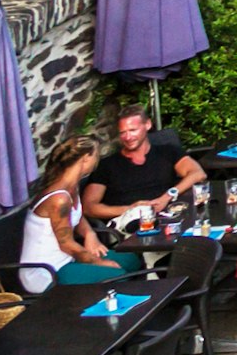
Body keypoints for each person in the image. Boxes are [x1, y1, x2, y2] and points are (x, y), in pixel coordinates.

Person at [18, 145, 131, 293]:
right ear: (85, 158)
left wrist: (90, 234)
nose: (97, 161)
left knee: (130, 258)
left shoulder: (71, 187)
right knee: (117, 276)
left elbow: (76, 215)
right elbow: (66, 244)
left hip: (68, 260)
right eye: (96, 156)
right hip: (46, 272)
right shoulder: (59, 199)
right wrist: (99, 262)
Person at [82, 108, 206, 241]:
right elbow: (89, 207)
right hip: (130, 227)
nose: (128, 137)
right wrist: (129, 208)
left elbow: (198, 174)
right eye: (123, 132)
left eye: (133, 130)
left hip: (169, 218)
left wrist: (167, 196)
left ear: (147, 125)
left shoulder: (167, 152)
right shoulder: (107, 165)